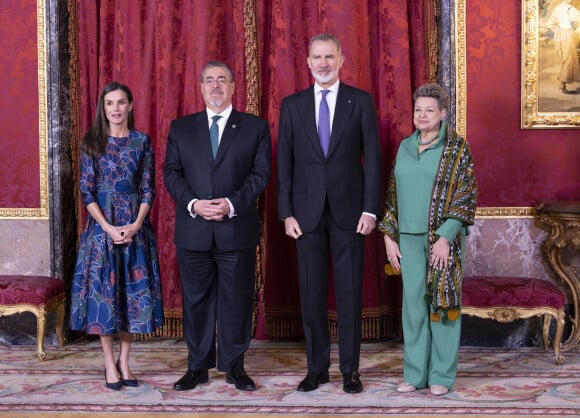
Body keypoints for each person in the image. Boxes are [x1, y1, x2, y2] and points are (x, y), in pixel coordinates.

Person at [277, 33, 382, 394]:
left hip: (350, 213)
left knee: (350, 294)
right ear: (308, 62)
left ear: (341, 60)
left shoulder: (361, 102)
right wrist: (286, 213)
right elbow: (285, 165)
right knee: (312, 295)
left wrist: (371, 209)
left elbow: (373, 160)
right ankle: (316, 369)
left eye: (329, 57)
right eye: (317, 57)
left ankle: (350, 371)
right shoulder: (292, 105)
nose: (323, 63)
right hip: (305, 217)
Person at [164, 61, 272, 392]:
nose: (215, 86)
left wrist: (230, 204)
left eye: (221, 80)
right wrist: (195, 204)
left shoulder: (254, 127)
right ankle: (197, 366)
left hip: (235, 228)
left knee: (237, 300)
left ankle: (234, 365)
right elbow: (171, 172)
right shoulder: (181, 128)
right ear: (200, 87)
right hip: (193, 229)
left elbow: (260, 174)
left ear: (233, 86)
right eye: (209, 80)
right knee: (195, 301)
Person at [379, 83, 477, 396]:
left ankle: (441, 376)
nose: (422, 115)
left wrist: (446, 236)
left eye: (429, 110)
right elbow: (393, 195)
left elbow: (466, 195)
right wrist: (389, 236)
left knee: (443, 306)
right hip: (407, 238)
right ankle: (415, 373)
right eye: (418, 109)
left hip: (441, 240)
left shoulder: (457, 149)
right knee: (413, 307)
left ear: (443, 113)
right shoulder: (405, 146)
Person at [70, 81, 164, 391]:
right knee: (105, 298)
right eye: (110, 103)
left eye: (121, 102)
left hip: (135, 230)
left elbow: (149, 188)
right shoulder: (92, 143)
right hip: (101, 232)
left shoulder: (141, 142)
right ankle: (109, 363)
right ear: (103, 108)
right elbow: (87, 191)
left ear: (130, 106)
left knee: (131, 298)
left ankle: (125, 361)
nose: (116, 108)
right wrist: (108, 228)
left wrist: (136, 224)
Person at [546, 0, 580, 93]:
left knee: (565, 60)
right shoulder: (571, 9)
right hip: (567, 35)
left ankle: (562, 83)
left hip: (560, 36)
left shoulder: (558, 8)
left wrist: (558, 31)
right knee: (568, 60)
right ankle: (562, 84)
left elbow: (549, 23)